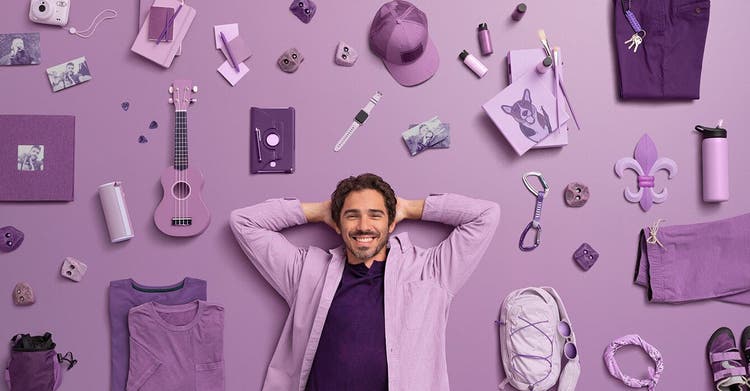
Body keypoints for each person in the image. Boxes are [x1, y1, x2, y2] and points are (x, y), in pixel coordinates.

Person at [230, 173, 500, 390]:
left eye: (375, 214)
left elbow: (485, 215)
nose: (363, 225)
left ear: (391, 222)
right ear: (337, 224)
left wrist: (409, 208)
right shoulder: (307, 272)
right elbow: (243, 222)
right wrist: (319, 210)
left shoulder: (431, 271)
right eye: (351, 215)